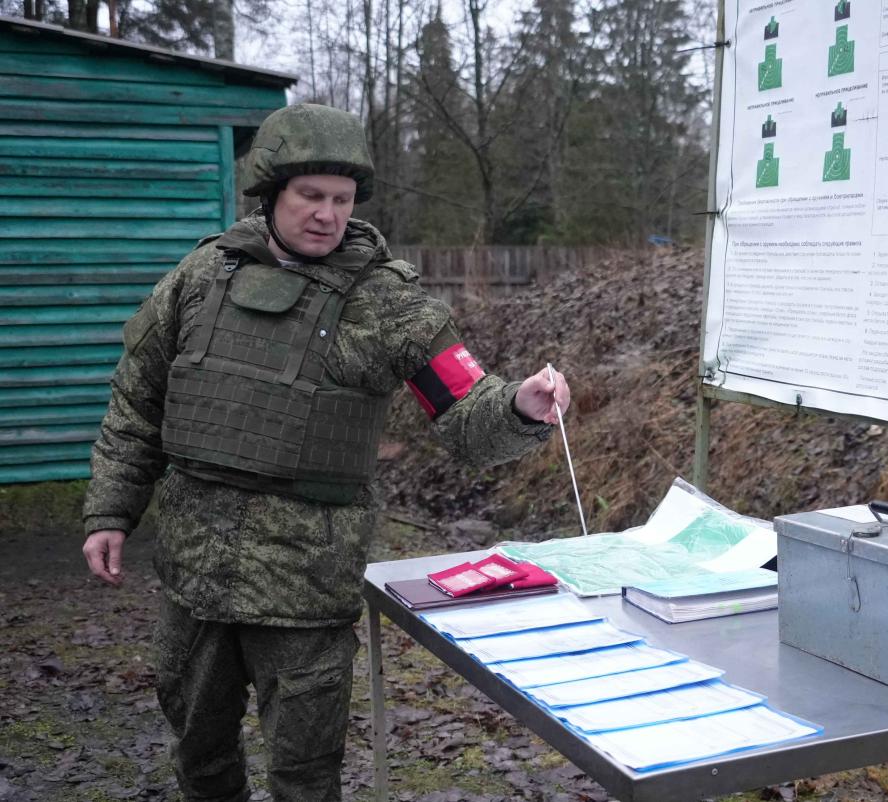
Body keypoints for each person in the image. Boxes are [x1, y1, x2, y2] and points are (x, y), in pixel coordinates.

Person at [80, 103, 570, 802]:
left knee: (305, 778)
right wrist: (110, 511)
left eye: (341, 200)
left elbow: (467, 412)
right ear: (270, 194)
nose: (327, 214)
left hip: (306, 592)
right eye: (310, 195)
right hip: (194, 578)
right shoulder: (200, 277)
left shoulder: (389, 303)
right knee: (200, 756)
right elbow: (138, 403)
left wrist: (521, 405)